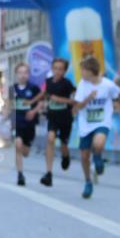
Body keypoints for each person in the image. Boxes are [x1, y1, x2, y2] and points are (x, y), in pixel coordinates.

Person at [72, 55, 120, 198]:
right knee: (84, 155)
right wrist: (89, 98)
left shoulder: (107, 84)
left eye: (83, 70)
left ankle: (98, 157)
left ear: (90, 71)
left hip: (102, 121)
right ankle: (88, 181)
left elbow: (118, 94)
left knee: (98, 143)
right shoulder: (82, 85)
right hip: (86, 123)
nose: (81, 73)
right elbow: (78, 106)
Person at [39, 58, 76, 187]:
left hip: (65, 118)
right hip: (53, 117)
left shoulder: (68, 84)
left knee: (63, 144)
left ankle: (65, 156)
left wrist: (59, 99)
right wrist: (42, 105)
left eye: (60, 69)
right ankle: (48, 173)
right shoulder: (48, 82)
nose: (58, 71)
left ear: (65, 70)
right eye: (55, 68)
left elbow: (74, 101)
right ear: (52, 69)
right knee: (50, 139)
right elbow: (44, 96)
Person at [11, 63, 42, 186]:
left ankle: (26, 147)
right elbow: (8, 104)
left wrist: (34, 111)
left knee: (25, 152)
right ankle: (20, 174)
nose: (22, 75)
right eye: (20, 72)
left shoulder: (34, 88)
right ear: (16, 74)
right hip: (17, 122)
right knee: (18, 145)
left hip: (29, 124)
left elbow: (41, 103)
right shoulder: (12, 89)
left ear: (28, 74)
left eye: (25, 73)